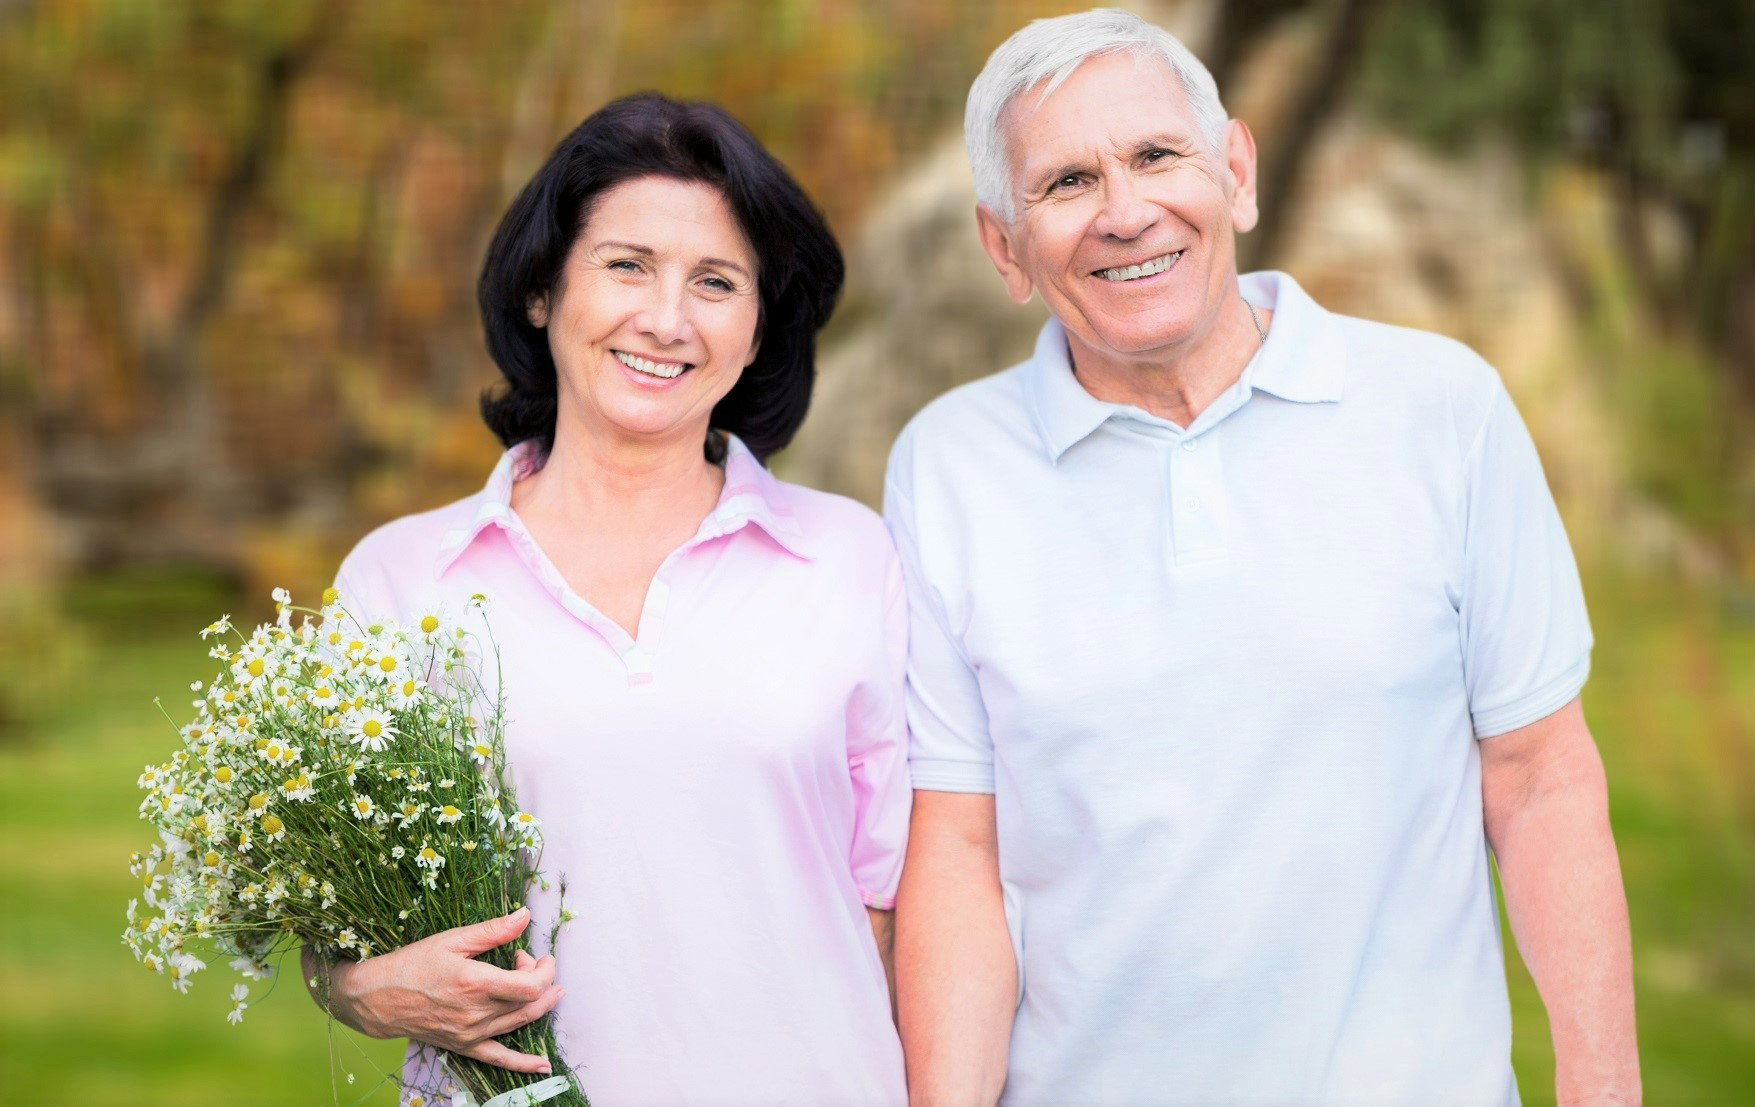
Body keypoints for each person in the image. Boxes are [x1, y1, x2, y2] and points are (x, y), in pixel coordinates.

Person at [888, 10, 1640, 1106]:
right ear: (1004, 246)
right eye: (1065, 184)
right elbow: (955, 845)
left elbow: (1539, 782)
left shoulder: (1440, 408)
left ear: (1233, 171)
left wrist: (1602, 1086)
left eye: (1156, 155)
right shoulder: (949, 467)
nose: (1126, 211)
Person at [318, 92, 910, 1105]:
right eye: (626, 264)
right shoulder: (398, 582)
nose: (665, 319)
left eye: (716, 282)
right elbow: (340, 936)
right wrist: (362, 993)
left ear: (761, 328)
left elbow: (905, 903)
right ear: (544, 290)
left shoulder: (854, 558)